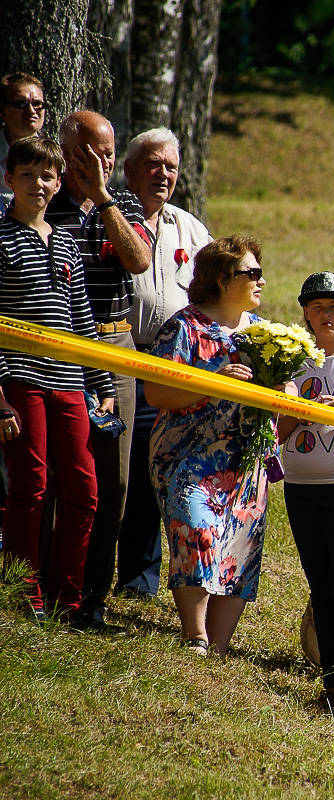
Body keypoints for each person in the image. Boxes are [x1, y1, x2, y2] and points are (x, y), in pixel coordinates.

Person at [143, 235, 283, 657]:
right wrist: (214, 380)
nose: (261, 280)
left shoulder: (263, 335)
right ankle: (195, 637)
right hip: (187, 457)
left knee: (239, 550)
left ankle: (218, 649)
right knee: (198, 533)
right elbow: (156, 393)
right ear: (223, 279)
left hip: (246, 462)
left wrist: (285, 390)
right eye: (251, 273)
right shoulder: (184, 328)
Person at [46, 110, 152, 633]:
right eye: (92, 152)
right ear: (68, 152)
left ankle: (93, 596)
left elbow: (138, 261)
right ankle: (46, 585)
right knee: (57, 476)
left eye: (110, 153)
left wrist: (104, 197)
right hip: (58, 347)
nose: (102, 162)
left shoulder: (123, 202)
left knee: (114, 483)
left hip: (115, 341)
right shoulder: (44, 201)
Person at [0, 136, 114, 624]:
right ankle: (24, 595)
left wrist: (102, 382)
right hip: (19, 378)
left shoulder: (66, 240)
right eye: (27, 175)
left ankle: (68, 596)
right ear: (9, 180)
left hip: (70, 380)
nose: (38, 184)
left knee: (84, 490)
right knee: (31, 486)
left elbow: (81, 318)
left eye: (47, 176)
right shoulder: (0, 239)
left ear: (59, 182)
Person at [115, 127, 212, 599]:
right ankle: (109, 571)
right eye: (153, 163)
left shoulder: (190, 228)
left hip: (176, 365)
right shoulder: (107, 219)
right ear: (128, 169)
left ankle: (141, 580)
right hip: (120, 360)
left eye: (171, 166)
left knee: (164, 469)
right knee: (122, 470)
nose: (164, 173)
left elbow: (216, 291)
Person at [278, 272, 334, 713]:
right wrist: (302, 410)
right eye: (316, 308)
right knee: (323, 585)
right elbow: (274, 432)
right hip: (301, 488)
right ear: (306, 315)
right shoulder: (291, 361)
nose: (325, 314)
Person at [0, 73, 46, 210]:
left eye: (37, 104)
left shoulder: (56, 159)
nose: (31, 111)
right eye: (21, 104)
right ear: (2, 109)